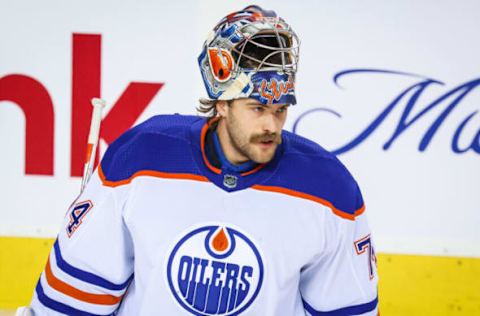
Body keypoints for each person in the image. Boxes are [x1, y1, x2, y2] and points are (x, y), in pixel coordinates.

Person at [28, 5, 378, 315]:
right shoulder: (141, 158)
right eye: (257, 109)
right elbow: (71, 302)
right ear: (221, 103)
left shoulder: (330, 189)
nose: (272, 125)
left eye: (280, 110)